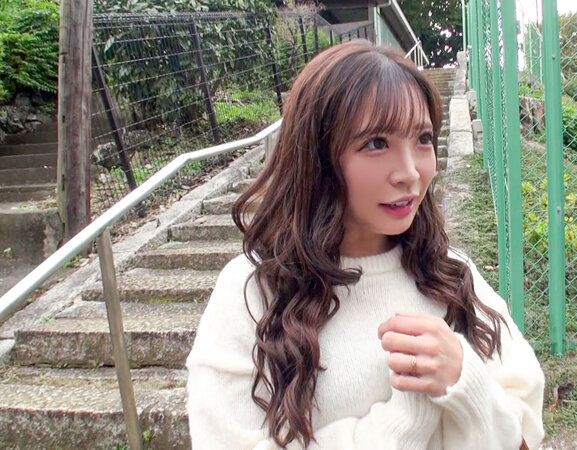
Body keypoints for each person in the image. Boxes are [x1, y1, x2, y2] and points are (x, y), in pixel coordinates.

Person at [186, 40, 545, 450]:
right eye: (376, 143)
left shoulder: (452, 272)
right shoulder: (252, 291)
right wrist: (402, 423)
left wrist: (465, 380)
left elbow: (526, 433)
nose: (410, 173)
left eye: (423, 138)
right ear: (318, 156)